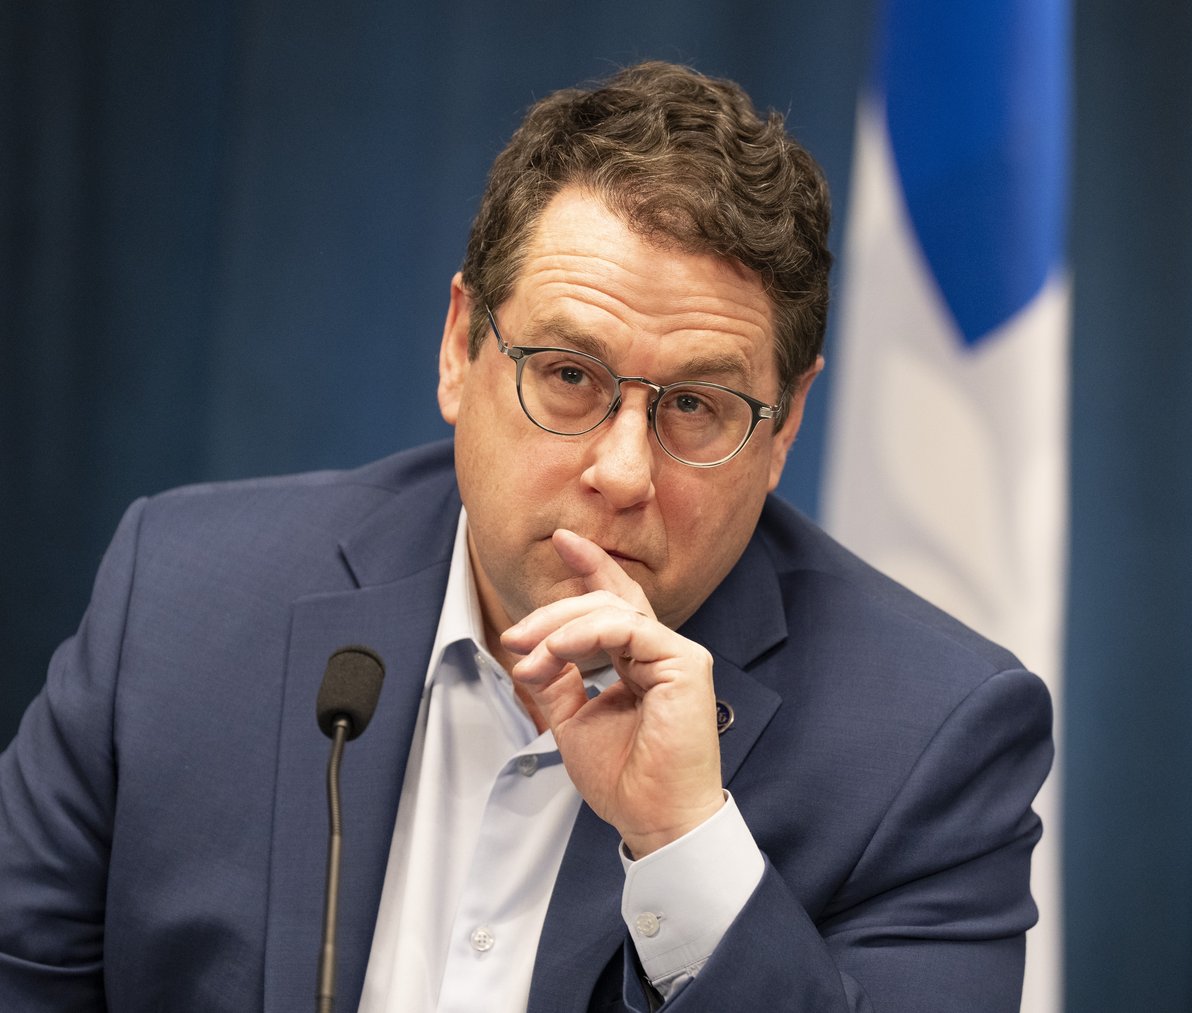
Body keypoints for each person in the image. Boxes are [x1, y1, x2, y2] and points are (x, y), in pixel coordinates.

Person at [0, 62, 1052, 1012]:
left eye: (697, 406)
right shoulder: (181, 598)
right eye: (569, 375)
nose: (623, 472)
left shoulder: (930, 743)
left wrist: (683, 841)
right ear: (460, 347)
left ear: (784, 430)